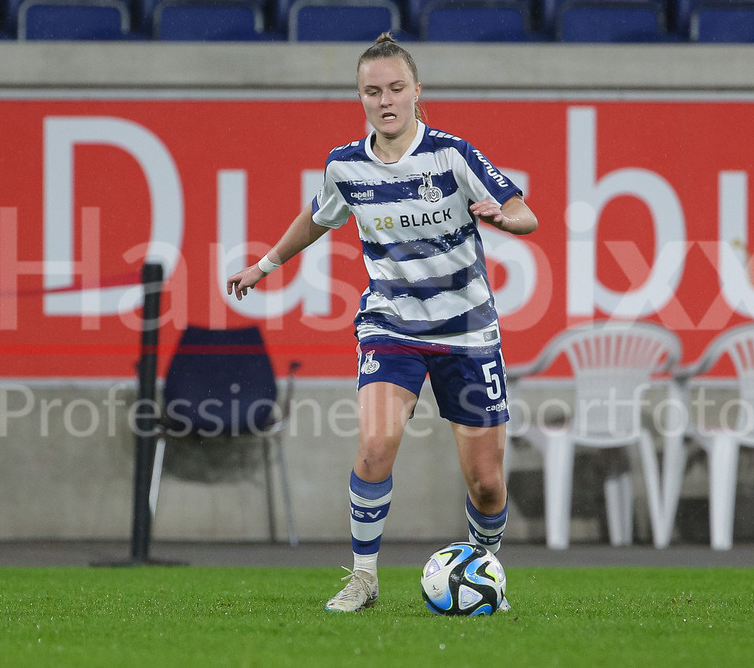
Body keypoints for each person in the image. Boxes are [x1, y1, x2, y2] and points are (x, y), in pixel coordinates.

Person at [227, 32, 538, 613]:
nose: (386, 100)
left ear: (418, 92)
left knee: (488, 485)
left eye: (396, 88)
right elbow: (317, 217)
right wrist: (264, 264)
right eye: (373, 91)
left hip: (467, 333)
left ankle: (482, 569)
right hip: (390, 326)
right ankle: (364, 579)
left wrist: (505, 219)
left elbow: (524, 211)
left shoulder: (452, 154)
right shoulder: (345, 165)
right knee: (375, 444)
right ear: (361, 98)